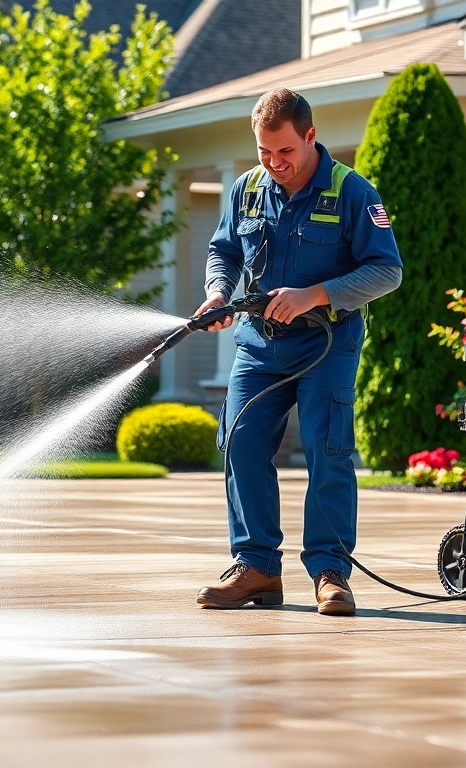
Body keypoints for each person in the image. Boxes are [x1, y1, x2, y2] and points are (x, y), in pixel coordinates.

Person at [195, 88, 402, 616]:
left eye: (284, 151)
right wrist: (218, 292)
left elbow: (387, 271)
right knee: (240, 443)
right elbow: (223, 250)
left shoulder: (352, 192)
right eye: (264, 152)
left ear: (310, 137)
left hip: (326, 344)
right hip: (258, 346)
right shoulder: (247, 189)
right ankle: (257, 567)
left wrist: (315, 294)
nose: (274, 163)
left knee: (327, 451)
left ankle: (330, 573)